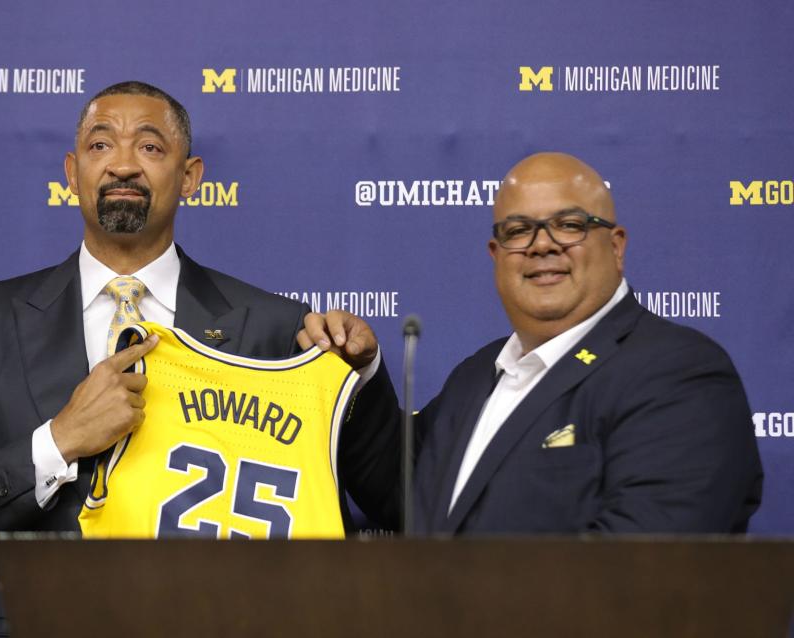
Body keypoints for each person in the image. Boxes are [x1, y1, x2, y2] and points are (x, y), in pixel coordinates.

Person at [0, 81, 374, 637]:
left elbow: (387, 498)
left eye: (149, 147)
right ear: (71, 174)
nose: (122, 165)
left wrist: (362, 377)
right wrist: (58, 442)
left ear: (190, 177)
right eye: (99, 146)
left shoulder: (275, 326)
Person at [300, 152, 763, 534]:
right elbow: (404, 489)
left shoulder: (677, 373)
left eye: (569, 224)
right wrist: (355, 373)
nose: (542, 245)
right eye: (519, 231)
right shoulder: (479, 374)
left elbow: (648, 569)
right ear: (496, 255)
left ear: (617, 246)